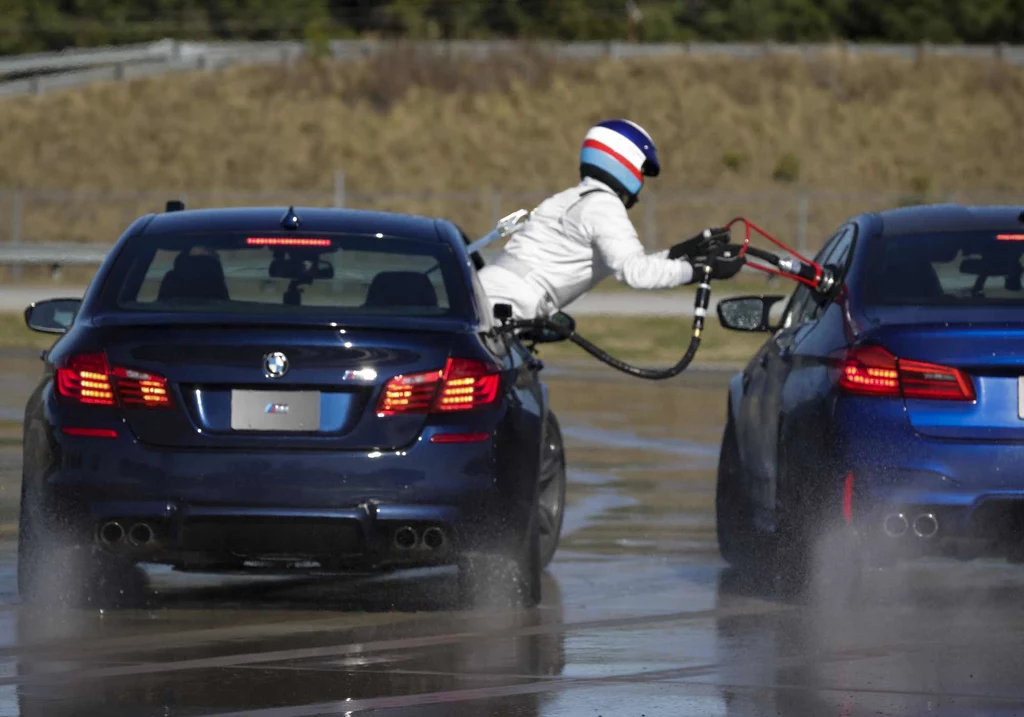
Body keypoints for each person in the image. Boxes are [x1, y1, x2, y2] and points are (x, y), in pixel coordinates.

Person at [477, 118, 745, 321]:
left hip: (488, 297)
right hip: (508, 306)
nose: (640, 183)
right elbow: (636, 274)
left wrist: (691, 249)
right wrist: (704, 271)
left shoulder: (569, 199)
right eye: (641, 171)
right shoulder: (602, 205)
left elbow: (632, 263)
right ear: (624, 161)